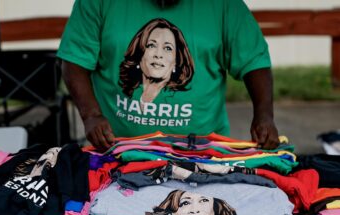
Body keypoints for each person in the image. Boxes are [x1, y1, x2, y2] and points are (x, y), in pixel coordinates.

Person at [58, 0, 279, 151]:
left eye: (168, 49)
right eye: (151, 45)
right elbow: (74, 61)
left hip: (203, 154)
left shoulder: (224, 5)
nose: (157, 55)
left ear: (177, 61)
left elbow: (254, 61)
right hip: (118, 152)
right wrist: (91, 116)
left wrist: (264, 115)